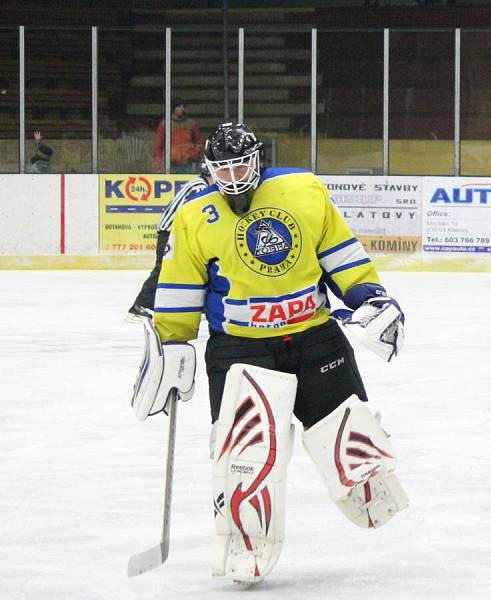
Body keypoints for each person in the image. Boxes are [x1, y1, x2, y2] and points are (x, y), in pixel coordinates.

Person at [130, 122, 408, 584]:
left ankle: (367, 487)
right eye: (224, 168)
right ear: (208, 170)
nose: (235, 175)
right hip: (240, 348)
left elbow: (341, 253)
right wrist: (173, 342)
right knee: (246, 452)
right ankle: (245, 541)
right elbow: (179, 284)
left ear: (259, 158)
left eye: (242, 163)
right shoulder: (195, 213)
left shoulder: (303, 190)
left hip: (315, 337)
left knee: (346, 424)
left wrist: (370, 296)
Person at [127, 163, 212, 319]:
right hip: (171, 235)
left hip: (171, 233)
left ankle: (202, 306)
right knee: (163, 269)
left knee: (193, 269)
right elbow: (195, 216)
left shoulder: (195, 183)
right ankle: (141, 305)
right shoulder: (200, 188)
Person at [152, 98, 203, 173]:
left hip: (187, 163)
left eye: (183, 106)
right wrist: (157, 163)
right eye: (179, 106)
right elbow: (158, 145)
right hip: (171, 163)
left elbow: (199, 142)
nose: (182, 108)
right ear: (174, 108)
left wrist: (194, 155)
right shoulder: (165, 123)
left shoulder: (191, 123)